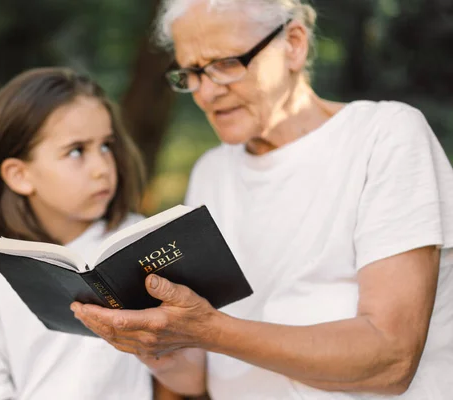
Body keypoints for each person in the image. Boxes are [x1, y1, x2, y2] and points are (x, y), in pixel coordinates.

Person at [71, 1, 453, 399]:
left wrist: (210, 330)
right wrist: (152, 341)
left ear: (294, 44)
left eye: (226, 63)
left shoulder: (384, 136)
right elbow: (200, 377)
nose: (206, 91)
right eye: (192, 72)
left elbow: (391, 361)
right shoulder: (212, 171)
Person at [0, 67, 170, 399]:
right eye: (77, 151)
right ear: (20, 175)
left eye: (106, 146)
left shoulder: (142, 243)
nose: (102, 168)